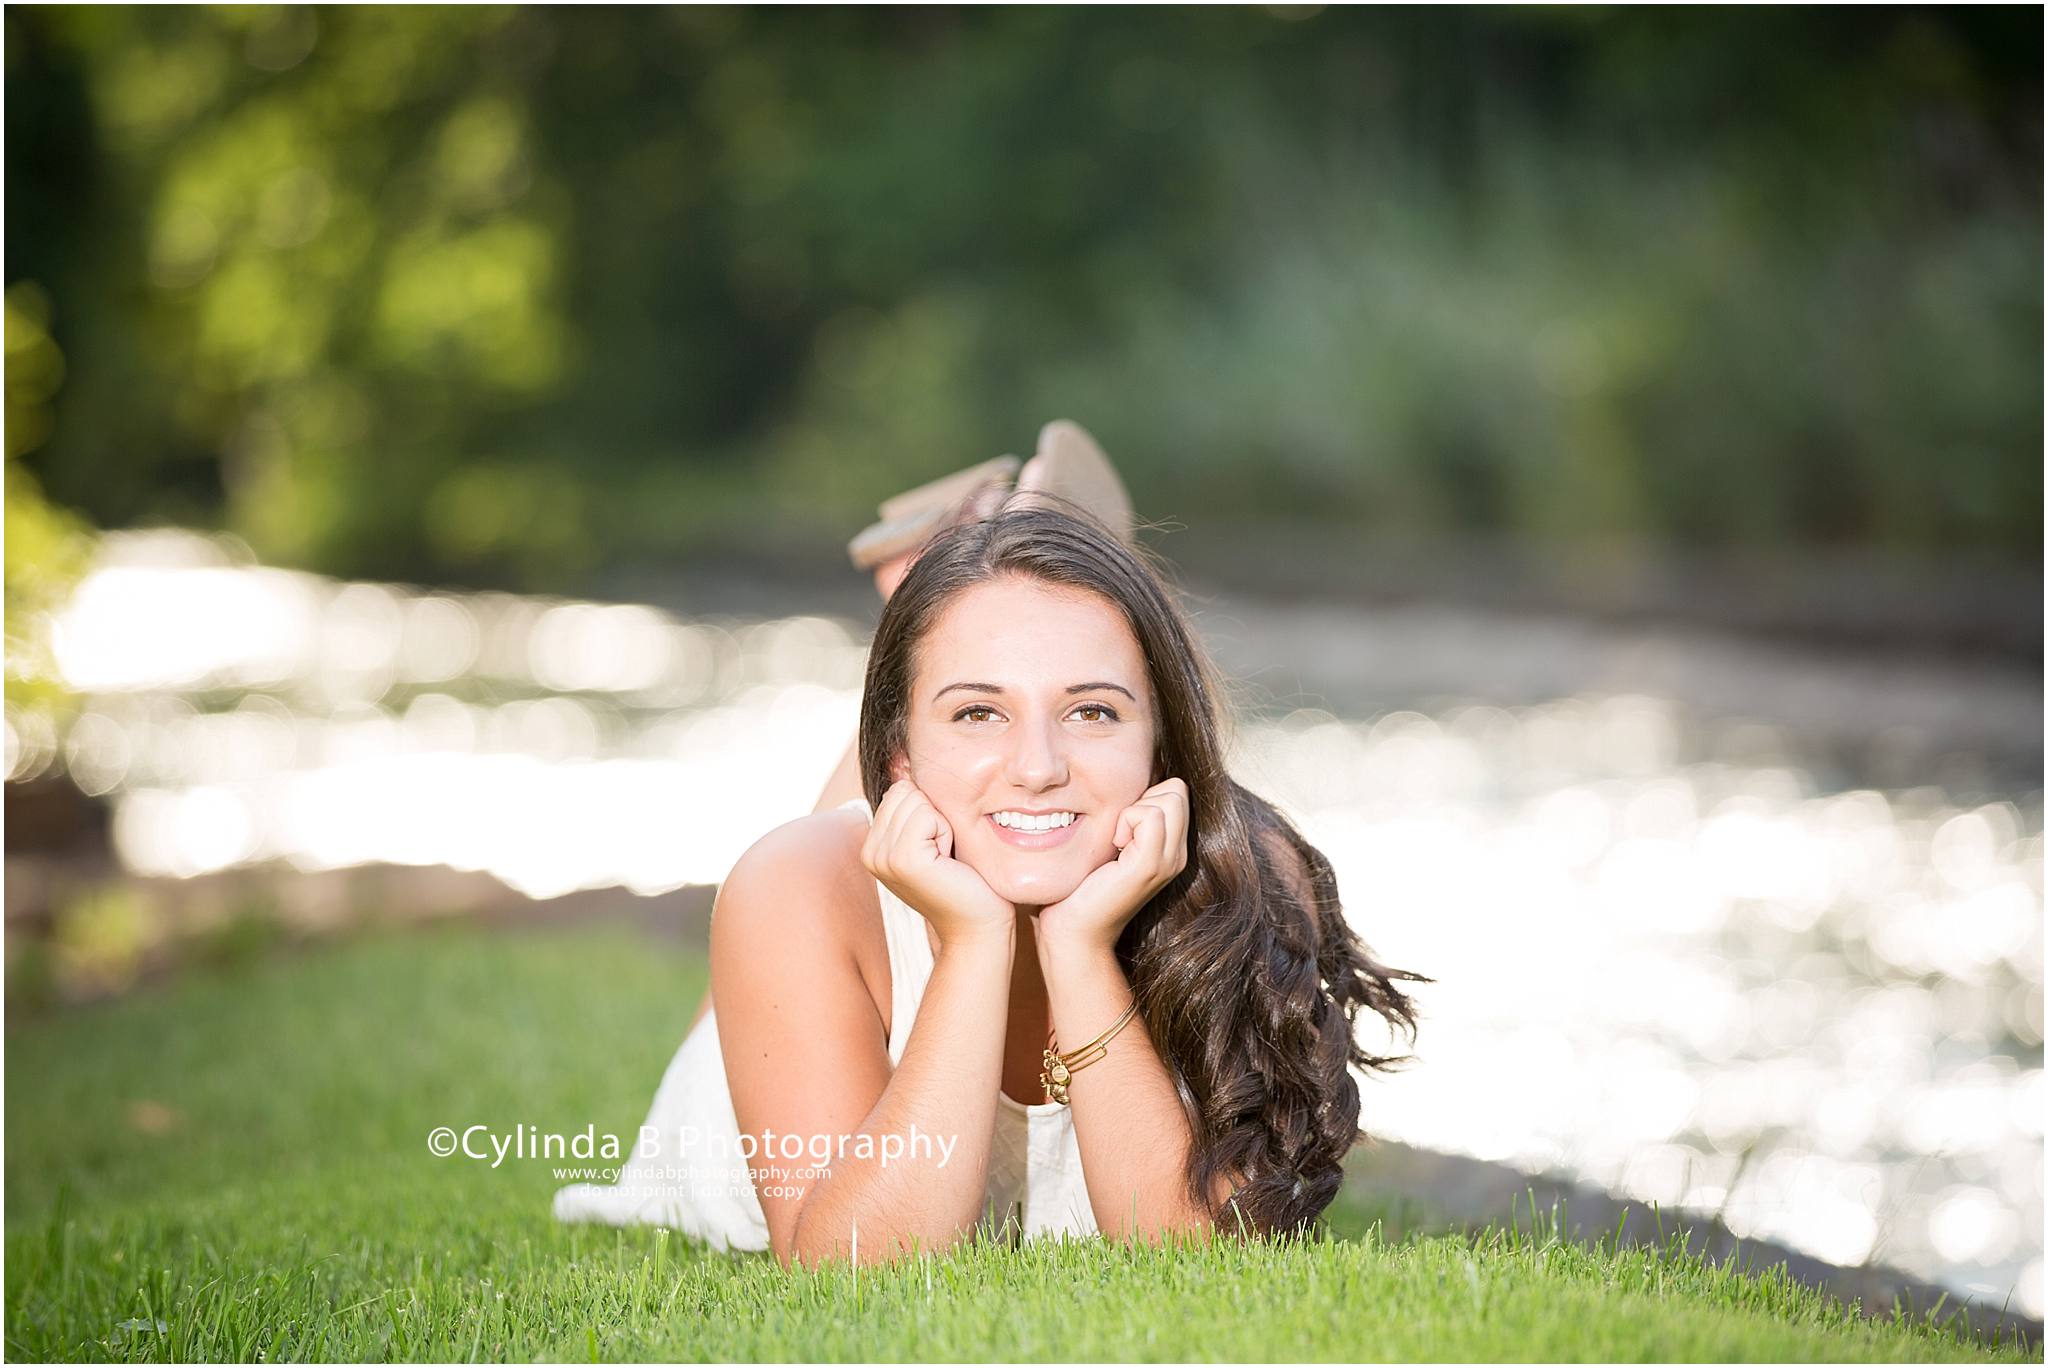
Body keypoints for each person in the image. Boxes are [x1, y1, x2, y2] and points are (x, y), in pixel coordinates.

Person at [554, 423, 1427, 1267]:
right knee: (824, 858)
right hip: (807, 944)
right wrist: (973, 945)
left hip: (940, 793)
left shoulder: (1248, 876)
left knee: (971, 761)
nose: (1040, 766)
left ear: (1162, 748)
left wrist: (1079, 949)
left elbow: (1198, 1256)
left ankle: (976, 587)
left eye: (1094, 710)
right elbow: (853, 1267)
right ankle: (972, 583)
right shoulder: (794, 885)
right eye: (981, 712)